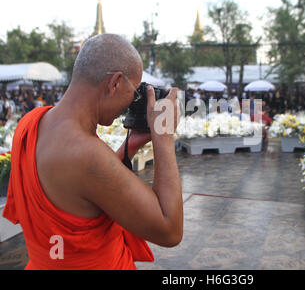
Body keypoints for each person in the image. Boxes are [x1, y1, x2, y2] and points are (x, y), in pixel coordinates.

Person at [3, 33, 183, 270]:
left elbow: (82, 189)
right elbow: (169, 230)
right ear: (115, 83)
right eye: (135, 93)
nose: (132, 101)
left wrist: (129, 146)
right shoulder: (86, 155)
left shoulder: (31, 122)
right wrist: (164, 138)